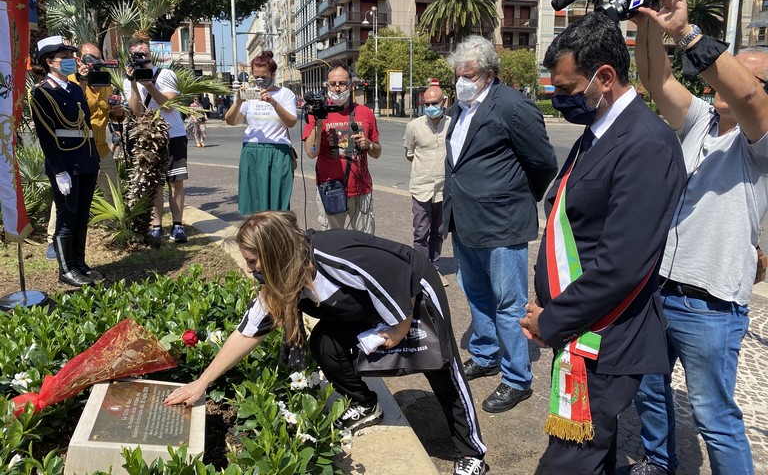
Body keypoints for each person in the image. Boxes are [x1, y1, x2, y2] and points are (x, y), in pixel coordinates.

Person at [163, 211, 489, 475]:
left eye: (252, 262)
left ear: (274, 253)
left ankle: (471, 451)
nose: (251, 271)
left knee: (441, 365)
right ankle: (364, 404)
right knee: (324, 343)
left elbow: (394, 273)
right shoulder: (280, 281)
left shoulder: (333, 255)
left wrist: (401, 327)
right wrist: (201, 382)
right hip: (364, 302)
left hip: (411, 288)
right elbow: (246, 333)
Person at [518, 12, 685, 474]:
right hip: (581, 329)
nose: (561, 101)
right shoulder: (600, 131)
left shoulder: (645, 143)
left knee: (568, 464)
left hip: (605, 336)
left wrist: (552, 320)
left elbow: (620, 266)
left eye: (568, 91)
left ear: (604, 77)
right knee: (595, 457)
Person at [627, 0, 768, 475]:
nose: (727, 86)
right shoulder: (702, 122)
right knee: (648, 385)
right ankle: (659, 462)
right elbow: (653, 76)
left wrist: (686, 30)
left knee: (714, 416)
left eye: (751, 79)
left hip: (710, 302)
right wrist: (647, 19)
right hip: (660, 287)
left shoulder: (761, 141)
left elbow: (747, 93)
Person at [443, 35, 558, 413]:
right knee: (475, 294)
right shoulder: (461, 107)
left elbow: (542, 163)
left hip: (501, 223)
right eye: (458, 74)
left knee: (508, 303)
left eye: (469, 74)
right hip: (465, 221)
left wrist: (515, 199)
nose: (461, 80)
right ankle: (486, 353)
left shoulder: (512, 105)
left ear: (489, 73)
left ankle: (517, 378)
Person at [44, 41, 125, 264]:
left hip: (100, 149)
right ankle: (54, 239)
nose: (95, 63)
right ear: (79, 59)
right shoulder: (68, 82)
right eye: (90, 59)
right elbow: (72, 110)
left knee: (113, 191)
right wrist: (81, 80)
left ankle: (113, 229)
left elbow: (112, 115)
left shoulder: (104, 82)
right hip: (76, 152)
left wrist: (118, 112)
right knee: (66, 195)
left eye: (98, 58)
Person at [29, 36, 100, 287]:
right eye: (66, 58)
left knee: (82, 215)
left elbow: (84, 125)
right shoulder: (42, 93)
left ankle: (79, 263)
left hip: (86, 160)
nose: (71, 61)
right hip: (66, 164)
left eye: (72, 57)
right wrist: (59, 171)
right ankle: (66, 269)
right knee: (67, 216)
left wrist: (94, 159)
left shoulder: (73, 89)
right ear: (50, 62)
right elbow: (47, 136)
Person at [123, 37, 189, 243]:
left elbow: (168, 106)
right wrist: (134, 85)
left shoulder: (166, 74)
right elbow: (136, 111)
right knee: (156, 184)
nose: (141, 58)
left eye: (143, 54)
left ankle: (178, 226)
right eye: (136, 55)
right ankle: (157, 226)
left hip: (174, 134)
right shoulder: (128, 80)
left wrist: (149, 85)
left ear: (150, 54)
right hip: (149, 137)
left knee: (176, 182)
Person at [302, 63, 381, 234]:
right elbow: (311, 153)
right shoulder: (317, 113)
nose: (337, 88)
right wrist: (318, 123)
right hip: (331, 189)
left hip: (361, 189)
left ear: (351, 85)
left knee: (365, 243)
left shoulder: (365, 113)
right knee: (333, 244)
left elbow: (377, 152)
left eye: (342, 83)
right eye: (333, 84)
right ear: (327, 85)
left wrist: (369, 144)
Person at [225, 51, 298, 214]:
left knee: (277, 204)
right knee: (253, 202)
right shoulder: (249, 95)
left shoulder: (285, 94)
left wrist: (273, 102)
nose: (259, 81)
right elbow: (231, 121)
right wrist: (237, 102)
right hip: (252, 150)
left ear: (273, 74)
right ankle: (256, 237)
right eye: (256, 76)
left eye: (264, 77)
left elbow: (291, 122)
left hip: (278, 151)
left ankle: (277, 237)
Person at [403, 85, 450, 287]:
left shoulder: (453, 124)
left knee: (438, 232)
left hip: (443, 189)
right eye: (427, 103)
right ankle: (422, 272)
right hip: (421, 187)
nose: (430, 107)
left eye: (435, 103)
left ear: (444, 102)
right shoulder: (414, 126)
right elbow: (409, 153)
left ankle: (435, 268)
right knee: (421, 232)